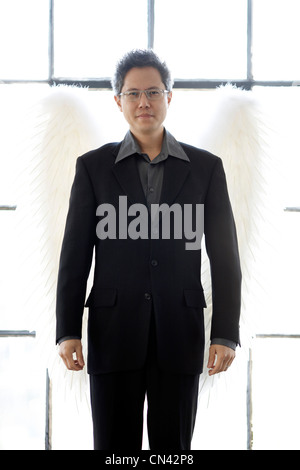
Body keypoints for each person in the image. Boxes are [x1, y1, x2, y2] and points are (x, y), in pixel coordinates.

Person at [56, 49, 242, 451]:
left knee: (173, 452)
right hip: (113, 331)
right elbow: (74, 255)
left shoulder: (206, 168)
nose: (144, 102)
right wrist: (68, 330)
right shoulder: (92, 167)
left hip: (179, 332)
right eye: (133, 93)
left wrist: (225, 333)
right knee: (114, 451)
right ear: (118, 100)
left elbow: (226, 258)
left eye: (154, 92)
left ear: (169, 97)